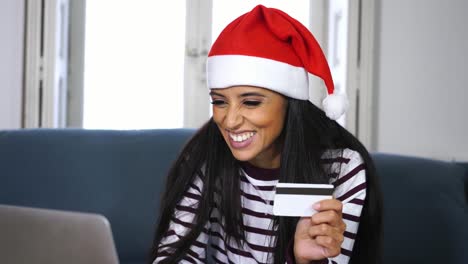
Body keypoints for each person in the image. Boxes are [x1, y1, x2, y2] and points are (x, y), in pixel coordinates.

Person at [149, 5, 382, 264]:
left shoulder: (342, 168)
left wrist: (303, 261)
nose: (231, 120)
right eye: (219, 102)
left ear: (290, 104)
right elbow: (174, 256)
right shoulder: (205, 156)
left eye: (250, 103)